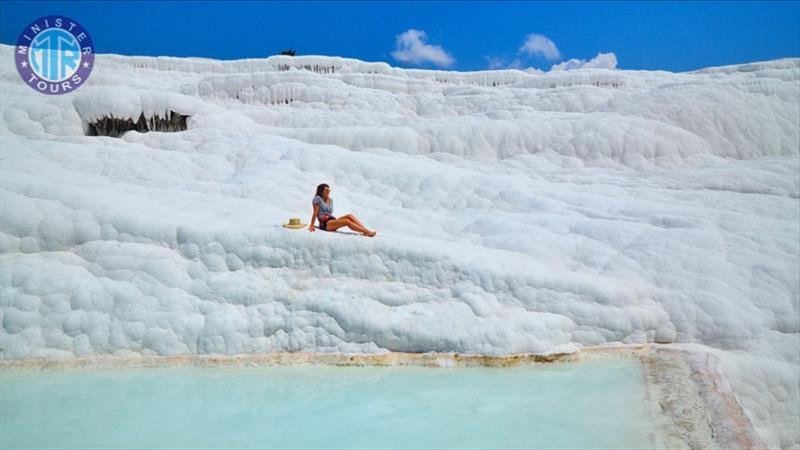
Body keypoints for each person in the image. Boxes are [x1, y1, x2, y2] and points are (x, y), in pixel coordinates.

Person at [309, 183, 377, 237]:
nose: (328, 191)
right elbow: (315, 212)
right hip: (324, 224)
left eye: (329, 190)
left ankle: (365, 230)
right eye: (326, 190)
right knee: (347, 221)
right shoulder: (318, 199)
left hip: (332, 220)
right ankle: (366, 232)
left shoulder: (330, 200)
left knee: (350, 215)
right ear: (322, 191)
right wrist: (312, 225)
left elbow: (330, 213)